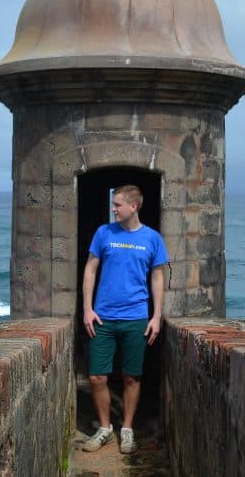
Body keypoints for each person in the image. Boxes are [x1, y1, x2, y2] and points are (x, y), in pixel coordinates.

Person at [81, 184, 168, 455]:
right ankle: (106, 428)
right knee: (97, 377)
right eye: (113, 203)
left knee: (132, 377)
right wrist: (87, 308)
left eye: (118, 204)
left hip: (136, 317)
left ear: (134, 206)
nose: (113, 208)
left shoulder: (152, 238)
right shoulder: (103, 233)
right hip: (103, 318)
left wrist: (156, 316)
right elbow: (90, 270)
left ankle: (127, 429)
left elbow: (157, 277)